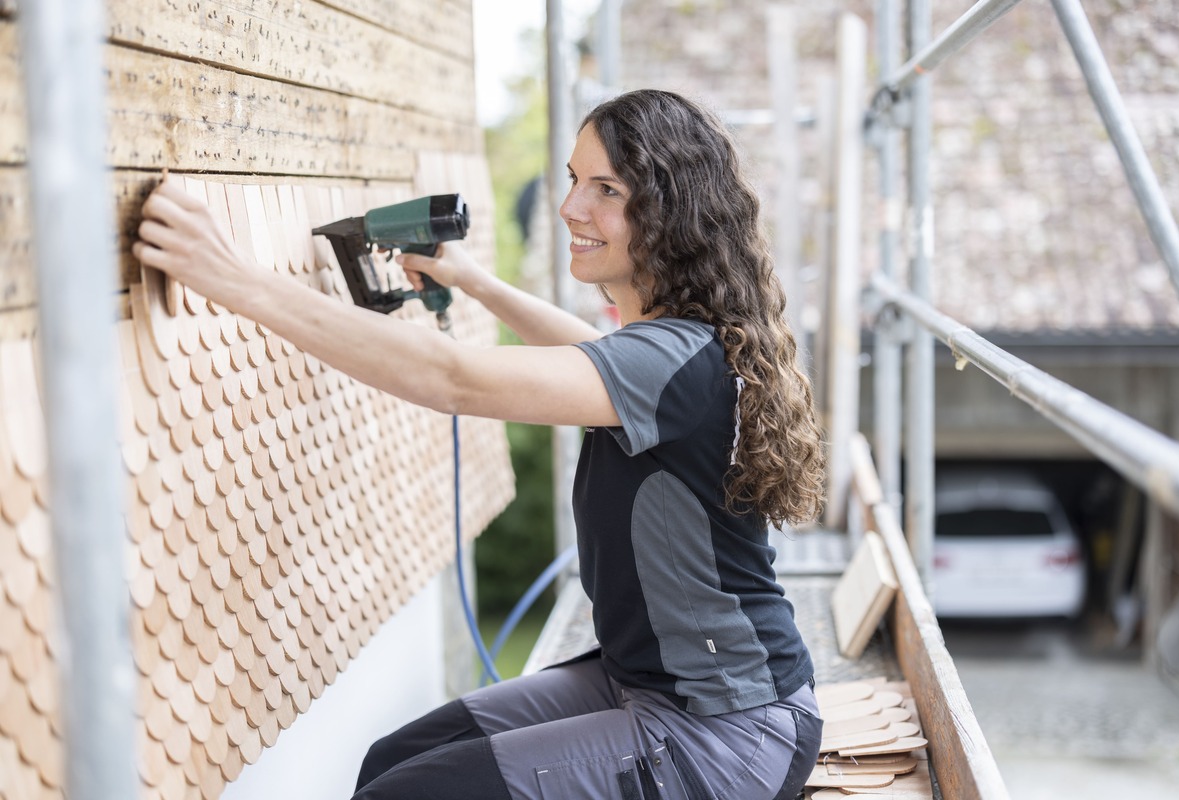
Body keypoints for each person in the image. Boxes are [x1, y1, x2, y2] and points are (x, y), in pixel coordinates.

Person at [135, 88, 826, 800]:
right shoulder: (678, 348)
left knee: (405, 797)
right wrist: (470, 281)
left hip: (726, 727)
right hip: (644, 681)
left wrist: (231, 278)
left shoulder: (671, 359)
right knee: (395, 758)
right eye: (573, 179)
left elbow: (454, 378)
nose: (570, 207)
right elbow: (584, 351)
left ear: (672, 213)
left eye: (607, 189)